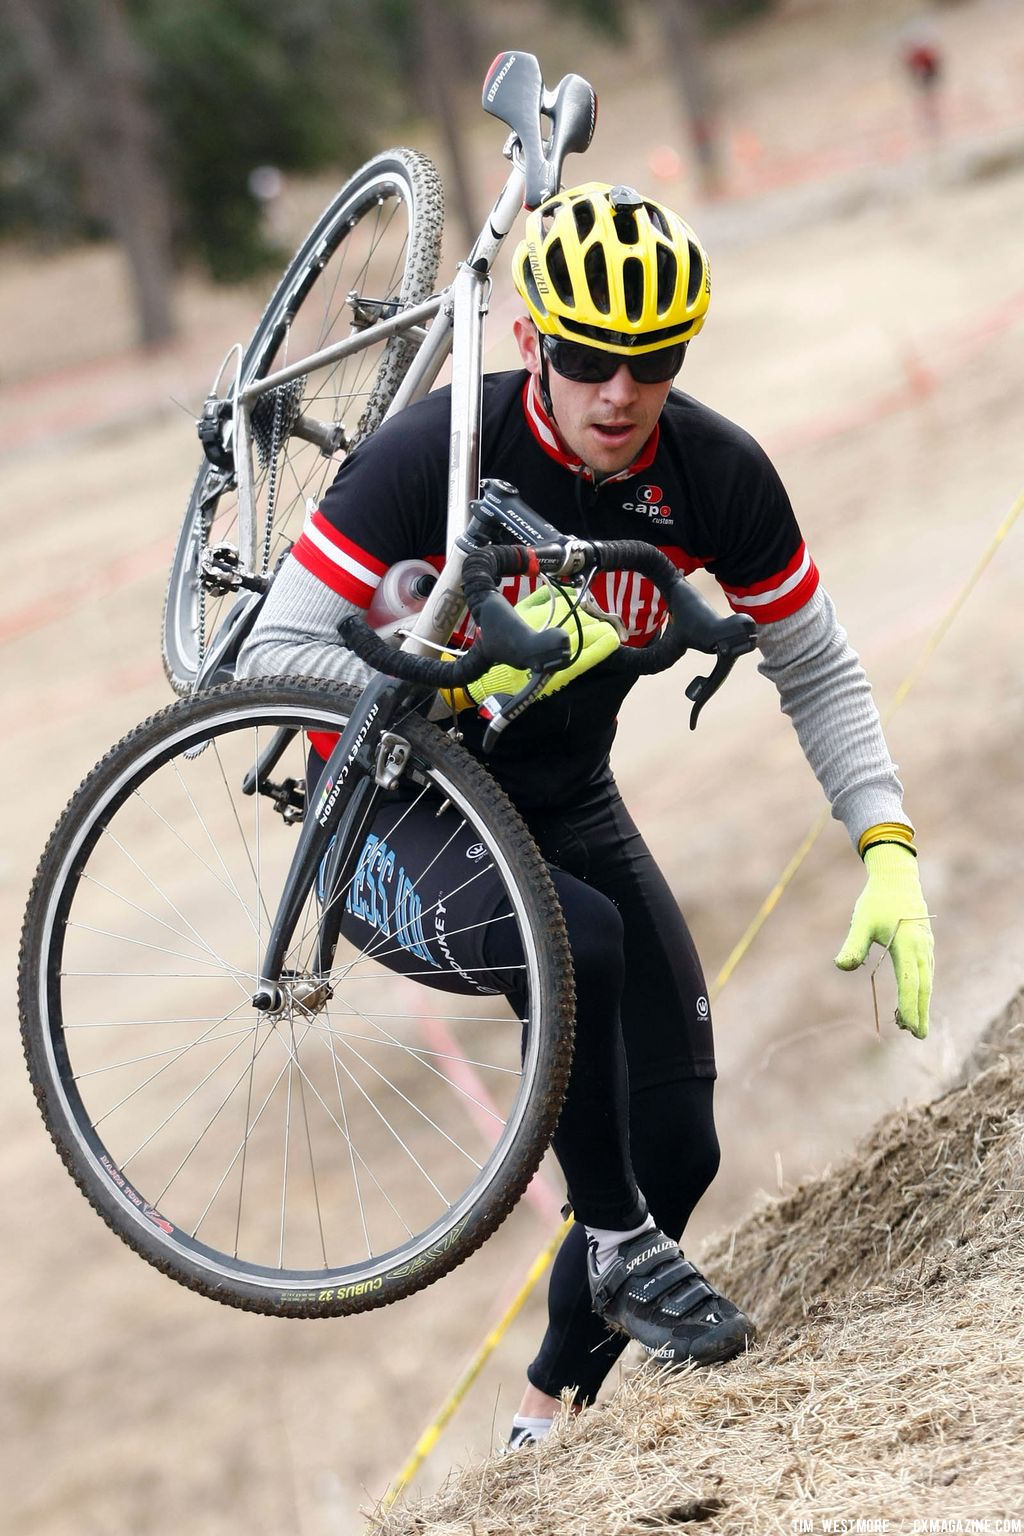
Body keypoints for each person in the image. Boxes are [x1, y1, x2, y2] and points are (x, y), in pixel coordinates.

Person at [237, 181, 934, 1446]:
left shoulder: (713, 474)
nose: (619, 392)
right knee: (581, 942)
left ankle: (542, 1430)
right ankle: (612, 1239)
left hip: (564, 799)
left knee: (679, 1147)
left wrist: (883, 842)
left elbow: (814, 661)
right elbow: (266, 667)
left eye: (652, 361)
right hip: (391, 810)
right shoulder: (440, 453)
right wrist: (459, 666)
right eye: (588, 358)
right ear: (531, 345)